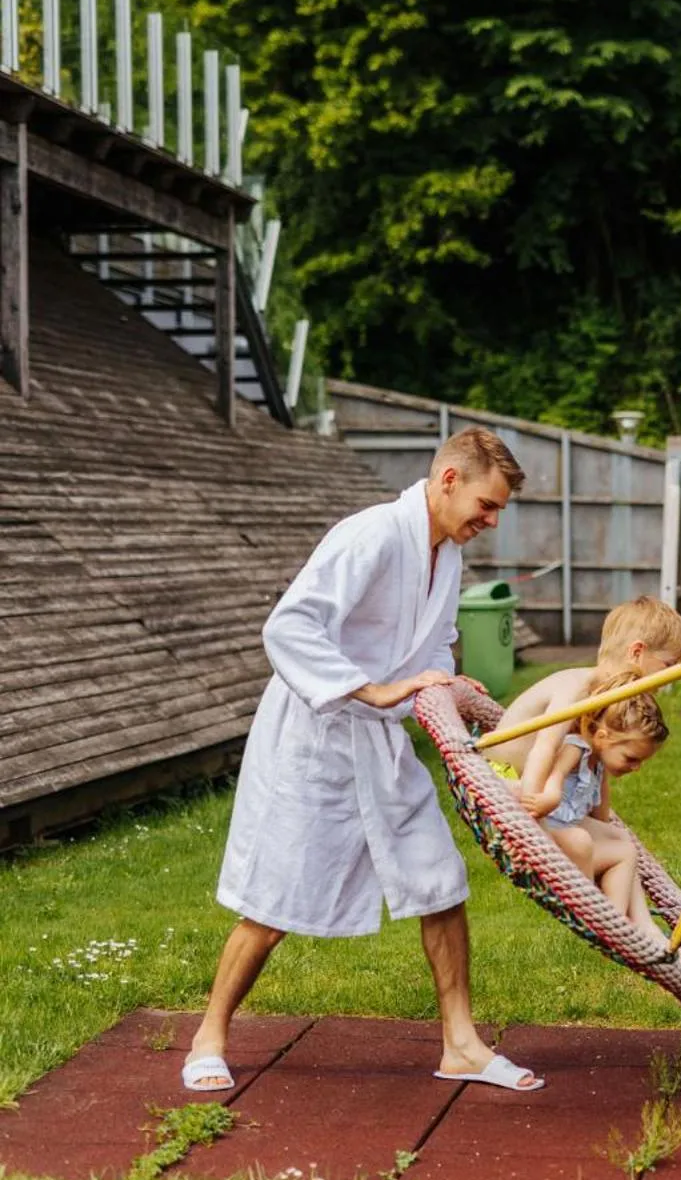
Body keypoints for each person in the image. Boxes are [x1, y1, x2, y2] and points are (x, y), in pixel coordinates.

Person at [182, 428, 541, 1094]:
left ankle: (461, 1044)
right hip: (312, 736)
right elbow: (289, 626)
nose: (490, 522)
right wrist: (369, 688)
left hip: (380, 742)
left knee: (440, 882)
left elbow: (437, 644)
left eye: (498, 511)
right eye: (486, 506)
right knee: (273, 903)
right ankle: (209, 1035)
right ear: (449, 480)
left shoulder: (446, 554)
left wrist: (445, 685)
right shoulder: (372, 534)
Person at [515, 672, 681, 963]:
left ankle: (617, 921)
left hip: (568, 829)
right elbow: (556, 775)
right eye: (631, 758)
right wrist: (550, 795)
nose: (636, 768)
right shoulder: (577, 747)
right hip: (550, 830)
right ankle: (594, 916)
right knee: (582, 839)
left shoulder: (598, 761)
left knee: (623, 843)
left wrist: (609, 831)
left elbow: (602, 815)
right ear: (602, 737)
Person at [478, 595, 681, 778]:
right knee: (577, 828)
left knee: (607, 829)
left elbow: (595, 763)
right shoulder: (576, 687)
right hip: (503, 777)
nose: (671, 677)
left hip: (532, 780)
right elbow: (546, 746)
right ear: (636, 653)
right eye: (669, 665)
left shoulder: (607, 695)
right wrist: (532, 799)